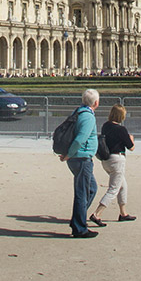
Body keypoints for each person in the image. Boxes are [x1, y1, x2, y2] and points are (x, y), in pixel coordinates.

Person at [58, 88, 100, 238]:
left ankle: (77, 219)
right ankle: (79, 227)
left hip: (78, 158)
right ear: (96, 102)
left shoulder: (78, 112)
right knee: (83, 192)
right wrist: (69, 155)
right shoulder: (88, 117)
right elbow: (80, 139)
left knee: (91, 188)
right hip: (81, 159)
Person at [90, 103, 136, 226]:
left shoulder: (106, 126)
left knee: (122, 186)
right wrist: (131, 138)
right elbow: (131, 147)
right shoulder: (121, 130)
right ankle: (97, 213)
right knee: (113, 189)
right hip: (117, 159)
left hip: (106, 160)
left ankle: (123, 213)